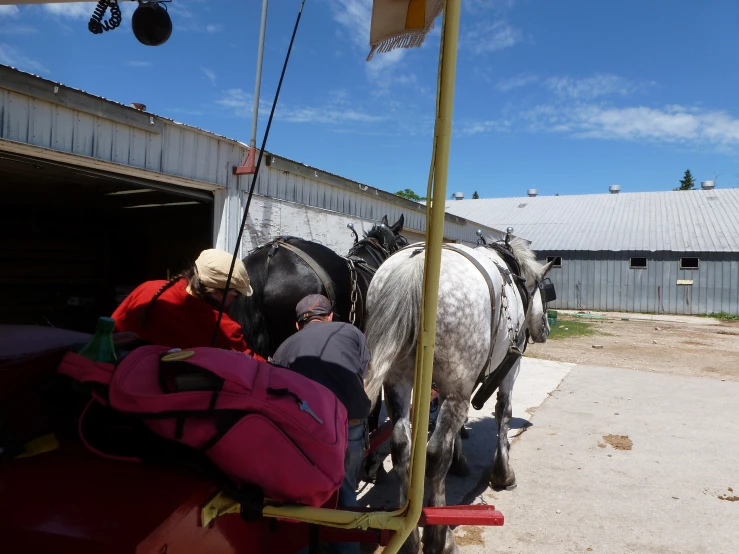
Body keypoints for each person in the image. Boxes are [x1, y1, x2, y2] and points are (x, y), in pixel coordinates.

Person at [272, 294, 371, 554]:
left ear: (298, 324)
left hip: (305, 427)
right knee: (346, 489)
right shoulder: (351, 332)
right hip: (350, 421)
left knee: (301, 491)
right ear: (329, 317)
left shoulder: (284, 347)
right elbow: (363, 374)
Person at [112, 248, 264, 360]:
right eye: (236, 295)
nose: (236, 300)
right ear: (216, 292)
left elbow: (111, 333)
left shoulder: (147, 288)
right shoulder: (224, 328)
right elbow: (250, 363)